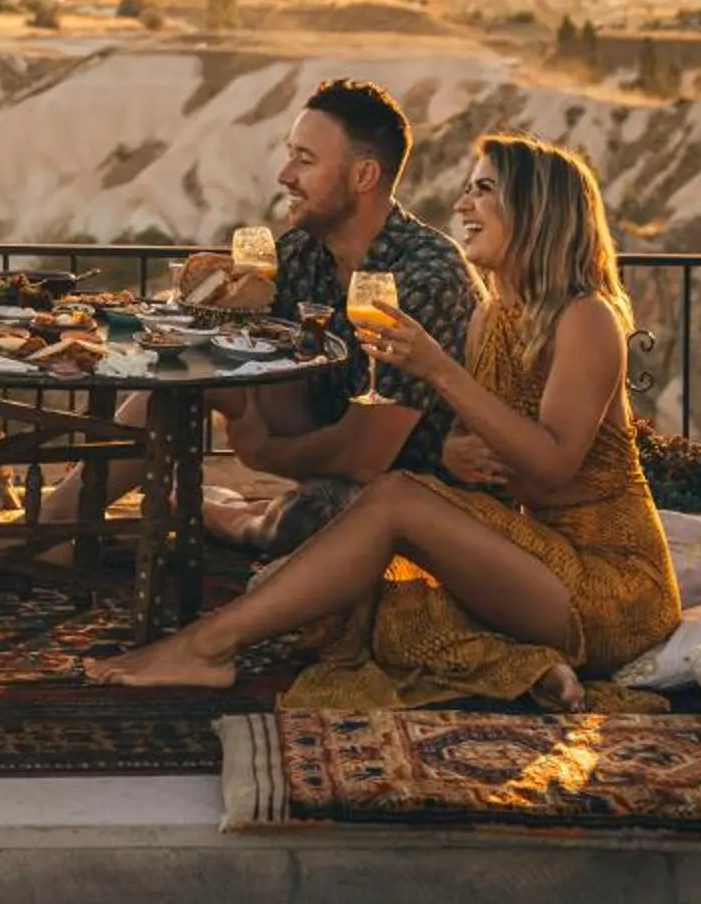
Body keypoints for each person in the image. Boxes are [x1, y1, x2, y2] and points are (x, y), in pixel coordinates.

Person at [88, 132, 680, 703]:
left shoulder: (587, 319)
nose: (462, 205)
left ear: (536, 209)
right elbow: (488, 448)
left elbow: (552, 466)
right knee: (381, 580)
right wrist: (454, 453)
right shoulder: (491, 321)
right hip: (535, 551)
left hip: (610, 586)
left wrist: (437, 370)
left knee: (393, 505)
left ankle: (206, 646)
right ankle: (527, 664)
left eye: (484, 190)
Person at [38, 77, 478, 550]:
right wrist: (214, 349)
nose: (285, 174)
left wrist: (263, 452)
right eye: (290, 154)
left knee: (309, 521)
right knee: (190, 366)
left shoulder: (425, 275)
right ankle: (56, 521)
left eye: (305, 160)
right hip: (331, 461)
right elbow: (257, 367)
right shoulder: (302, 254)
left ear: (364, 177)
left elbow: (363, 457)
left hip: (419, 496)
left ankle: (217, 513)